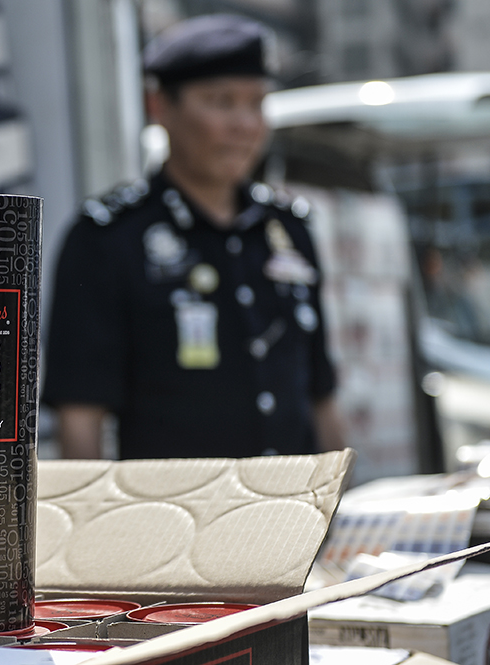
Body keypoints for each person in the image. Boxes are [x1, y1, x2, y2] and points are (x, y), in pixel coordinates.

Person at [42, 14, 345, 460]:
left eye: (256, 103)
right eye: (221, 102)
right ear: (159, 107)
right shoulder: (108, 238)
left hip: (292, 516)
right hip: (173, 522)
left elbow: (321, 395)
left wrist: (333, 508)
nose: (245, 124)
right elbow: (81, 417)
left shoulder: (288, 230)